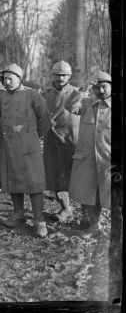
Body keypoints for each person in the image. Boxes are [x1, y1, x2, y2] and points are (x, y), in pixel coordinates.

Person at [0, 64, 51, 238]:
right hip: (8, 146)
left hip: (29, 146)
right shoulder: (1, 98)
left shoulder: (33, 95)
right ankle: (18, 214)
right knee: (13, 180)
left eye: (10, 78)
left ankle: (39, 220)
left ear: (20, 79)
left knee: (34, 182)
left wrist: (33, 136)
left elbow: (45, 119)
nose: (7, 82)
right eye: (5, 79)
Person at [66, 71, 111, 234]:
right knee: (91, 194)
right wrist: (82, 89)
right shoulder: (86, 104)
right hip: (88, 159)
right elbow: (69, 106)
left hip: (109, 160)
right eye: (97, 88)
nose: (101, 91)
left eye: (104, 87)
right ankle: (94, 225)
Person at [42, 61, 81, 222]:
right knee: (54, 174)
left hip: (70, 139)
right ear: (53, 76)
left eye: (64, 75)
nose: (61, 78)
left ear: (69, 76)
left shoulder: (76, 93)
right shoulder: (45, 94)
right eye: (58, 75)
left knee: (73, 174)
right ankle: (65, 208)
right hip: (52, 139)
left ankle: (85, 211)